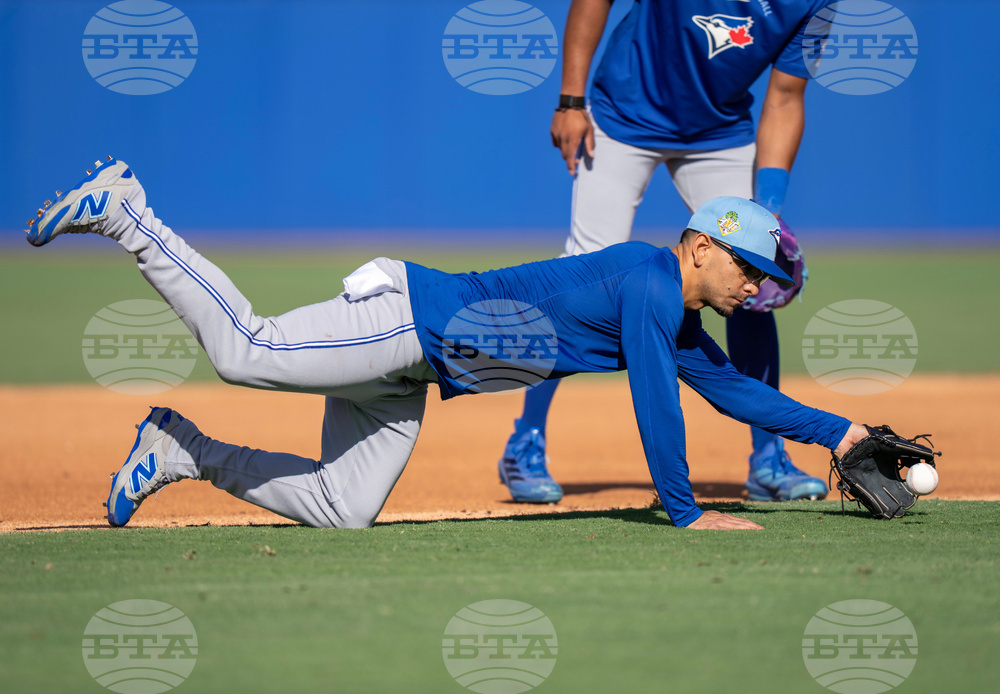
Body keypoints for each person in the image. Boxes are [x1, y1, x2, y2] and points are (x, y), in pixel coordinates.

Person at [26, 158, 867, 531]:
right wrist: (686, 515)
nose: (754, 291)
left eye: (761, 282)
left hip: (416, 369)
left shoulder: (674, 313)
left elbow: (731, 393)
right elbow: (659, 407)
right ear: (701, 245)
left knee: (339, 508)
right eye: (749, 271)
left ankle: (182, 451)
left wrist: (844, 435)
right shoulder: (650, 283)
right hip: (408, 318)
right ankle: (129, 212)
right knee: (245, 349)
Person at [498, 0, 831, 504]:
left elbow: (785, 97)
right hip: (621, 116)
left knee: (747, 278)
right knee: (580, 280)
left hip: (720, 132)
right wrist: (571, 100)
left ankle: (768, 459)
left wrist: (769, 211)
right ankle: (525, 441)